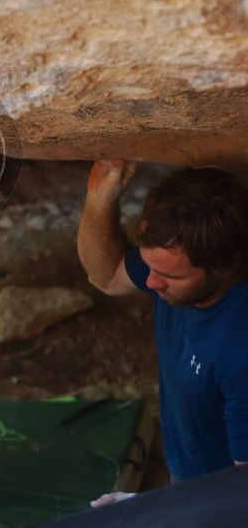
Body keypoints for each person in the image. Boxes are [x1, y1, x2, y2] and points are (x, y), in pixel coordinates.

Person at [77, 160, 248, 506]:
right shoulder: (175, 257)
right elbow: (106, 276)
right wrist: (99, 200)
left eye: (172, 277)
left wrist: (160, 513)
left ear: (225, 268)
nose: (151, 283)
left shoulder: (240, 351)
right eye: (148, 266)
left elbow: (241, 492)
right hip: (190, 482)